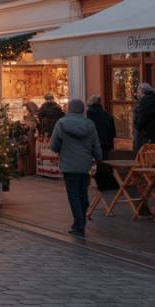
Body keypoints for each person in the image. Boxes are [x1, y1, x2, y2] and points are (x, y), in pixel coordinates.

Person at [50, 99, 103, 237]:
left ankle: (79, 224)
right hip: (84, 164)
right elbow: (96, 144)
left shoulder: (61, 123)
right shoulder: (89, 124)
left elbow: (54, 145)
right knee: (82, 192)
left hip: (68, 164)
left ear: (69, 109)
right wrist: (99, 158)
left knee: (73, 194)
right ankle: (81, 219)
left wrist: (60, 149)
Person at [85, 95, 118, 190]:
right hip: (105, 144)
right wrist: (111, 145)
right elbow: (112, 133)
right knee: (103, 164)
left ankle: (100, 183)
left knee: (92, 165)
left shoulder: (88, 116)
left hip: (91, 144)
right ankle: (106, 183)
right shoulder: (107, 116)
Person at [133, 83, 155, 152]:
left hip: (147, 136)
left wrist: (137, 126)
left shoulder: (144, 102)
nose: (138, 94)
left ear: (142, 91)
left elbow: (141, 120)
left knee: (146, 158)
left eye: (138, 91)